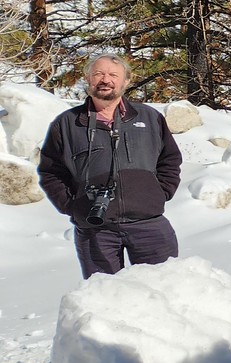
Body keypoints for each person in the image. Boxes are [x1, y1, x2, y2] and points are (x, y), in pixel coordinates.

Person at [38, 53, 182, 279]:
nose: (106, 80)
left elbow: (170, 160)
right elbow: (51, 172)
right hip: (95, 229)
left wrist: (158, 193)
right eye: (98, 74)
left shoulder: (149, 117)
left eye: (113, 75)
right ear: (88, 79)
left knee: (163, 287)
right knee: (104, 294)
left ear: (126, 80)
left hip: (149, 226)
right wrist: (72, 206)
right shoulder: (67, 123)